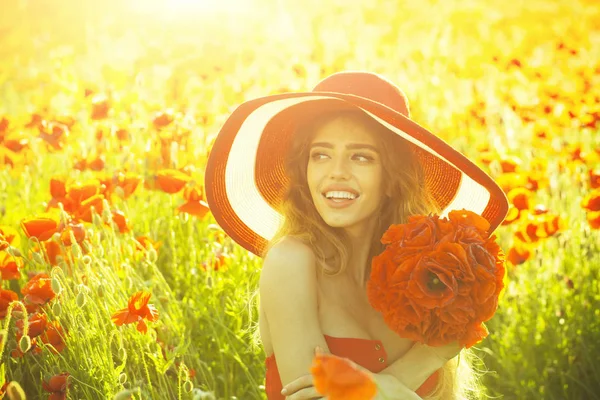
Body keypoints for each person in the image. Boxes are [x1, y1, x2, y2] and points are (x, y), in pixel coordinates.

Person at [204, 71, 509, 399]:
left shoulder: (431, 278)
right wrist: (417, 366)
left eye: (360, 156)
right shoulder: (291, 261)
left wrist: (370, 387)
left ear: (393, 177)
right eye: (320, 154)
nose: (336, 171)